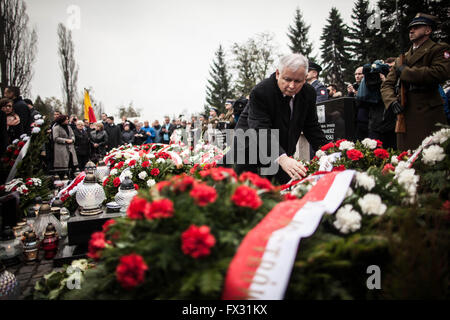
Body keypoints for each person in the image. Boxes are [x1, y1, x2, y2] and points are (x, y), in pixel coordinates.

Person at [234, 53, 327, 184]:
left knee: (283, 188)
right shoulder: (261, 91)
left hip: (281, 148)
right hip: (250, 147)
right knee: (251, 191)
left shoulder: (309, 93)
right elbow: (260, 129)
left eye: (298, 81)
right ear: (278, 74)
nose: (292, 86)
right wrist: (282, 158)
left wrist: (328, 152)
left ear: (305, 78)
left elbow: (312, 127)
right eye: (287, 79)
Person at [381, 13, 450, 151]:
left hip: (428, 113)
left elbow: (440, 72)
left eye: (417, 27)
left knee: (431, 157)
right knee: (407, 157)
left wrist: (406, 72)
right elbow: (387, 84)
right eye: (410, 28)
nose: (411, 31)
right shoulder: (403, 58)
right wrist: (391, 101)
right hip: (405, 113)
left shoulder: (438, 49)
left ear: (428, 30)